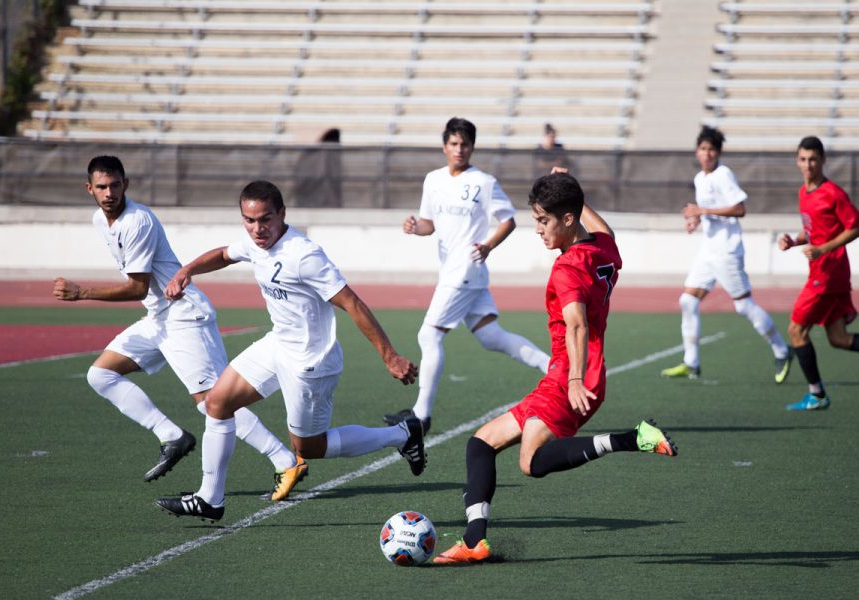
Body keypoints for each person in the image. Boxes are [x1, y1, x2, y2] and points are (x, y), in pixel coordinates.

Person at [433, 172, 677, 564]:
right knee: (481, 443)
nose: (537, 230)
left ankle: (631, 439)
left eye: (543, 220)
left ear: (566, 220)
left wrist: (576, 380)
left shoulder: (567, 268)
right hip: (566, 373)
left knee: (530, 463)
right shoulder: (603, 249)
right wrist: (576, 193)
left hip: (572, 373)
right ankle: (474, 540)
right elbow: (603, 229)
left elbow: (577, 323)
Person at [155, 180, 423, 522]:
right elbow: (224, 254)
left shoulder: (304, 255)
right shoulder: (255, 243)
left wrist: (390, 356)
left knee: (309, 448)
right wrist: (186, 271)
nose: (257, 228)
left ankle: (402, 434)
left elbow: (352, 303)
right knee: (217, 403)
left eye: (265, 219)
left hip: (310, 362)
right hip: (277, 344)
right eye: (249, 220)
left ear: (282, 214)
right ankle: (210, 499)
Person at [53, 156, 302, 501]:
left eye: (115, 185)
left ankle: (284, 459)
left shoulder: (137, 221)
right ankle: (171, 436)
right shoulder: (101, 220)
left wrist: (81, 293)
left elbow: (137, 287)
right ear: (89, 189)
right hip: (158, 319)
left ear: (126, 184)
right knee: (101, 375)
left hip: (184, 317)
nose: (109, 193)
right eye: (101, 187)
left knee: (213, 403)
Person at [383, 117, 551, 434]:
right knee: (491, 336)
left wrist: (488, 245)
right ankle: (552, 367)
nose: (459, 149)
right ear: (445, 146)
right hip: (456, 271)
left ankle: (421, 416)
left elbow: (508, 221)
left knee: (428, 335)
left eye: (465, 144)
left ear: (472, 147)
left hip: (466, 267)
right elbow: (428, 224)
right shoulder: (432, 180)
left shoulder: (484, 182)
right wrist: (413, 227)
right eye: (454, 143)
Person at [661, 126, 791, 382]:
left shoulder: (723, 174)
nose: (707, 154)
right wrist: (695, 221)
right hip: (708, 250)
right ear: (697, 152)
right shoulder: (700, 179)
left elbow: (740, 209)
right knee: (688, 301)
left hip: (727, 251)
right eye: (703, 149)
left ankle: (782, 350)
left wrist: (702, 212)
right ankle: (691, 362)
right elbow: (707, 211)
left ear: (718, 153)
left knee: (743, 306)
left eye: (711, 149)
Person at [778, 136, 859, 410]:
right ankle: (817, 395)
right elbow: (814, 230)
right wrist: (795, 241)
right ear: (797, 161)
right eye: (803, 159)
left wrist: (823, 249)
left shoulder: (833, 193)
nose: (808, 165)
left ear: (823, 161)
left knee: (796, 330)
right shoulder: (804, 192)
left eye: (813, 159)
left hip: (827, 274)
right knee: (839, 339)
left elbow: (855, 226)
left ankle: (817, 394)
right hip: (827, 272)